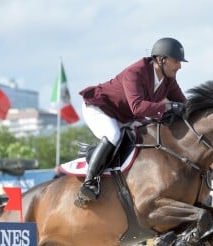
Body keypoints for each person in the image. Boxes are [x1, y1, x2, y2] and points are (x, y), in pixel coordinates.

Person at [76, 37, 188, 206]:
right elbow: (137, 107)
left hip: (125, 116)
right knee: (113, 135)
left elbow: (183, 104)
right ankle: (89, 184)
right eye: (176, 61)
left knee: (149, 133)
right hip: (101, 109)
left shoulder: (168, 80)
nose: (179, 66)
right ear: (161, 59)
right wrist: (168, 108)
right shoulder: (135, 72)